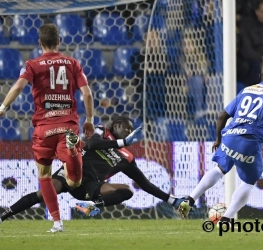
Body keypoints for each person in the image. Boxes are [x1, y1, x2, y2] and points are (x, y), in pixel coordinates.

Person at [0, 116, 184, 223]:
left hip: (90, 186)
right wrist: (122, 142)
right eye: (127, 128)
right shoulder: (102, 131)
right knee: (44, 194)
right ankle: (4, 215)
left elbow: (144, 184)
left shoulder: (126, 157)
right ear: (117, 126)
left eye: (131, 131)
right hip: (73, 171)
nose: (129, 132)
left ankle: (93, 206)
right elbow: (93, 143)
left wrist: (171, 199)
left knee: (126, 191)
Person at [0, 24, 94, 232]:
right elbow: (87, 93)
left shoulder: (32, 64)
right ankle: (71, 149)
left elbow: (18, 86)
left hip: (43, 128)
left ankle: (57, 222)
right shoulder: (72, 63)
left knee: (44, 176)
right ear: (59, 41)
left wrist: (3, 107)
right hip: (67, 126)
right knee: (74, 182)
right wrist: (89, 119)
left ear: (39, 43)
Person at [178, 61, 263, 223]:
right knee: (249, 182)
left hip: (230, 136)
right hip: (249, 141)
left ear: (259, 77)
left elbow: (223, 115)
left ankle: (189, 200)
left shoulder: (246, 90)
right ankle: (227, 219)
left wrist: (218, 138)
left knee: (220, 169)